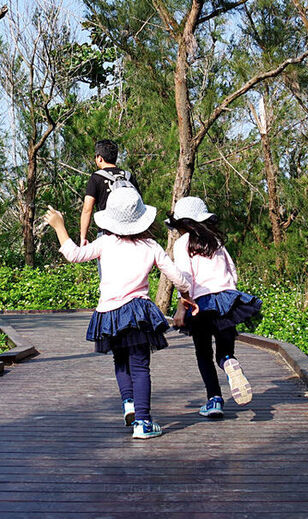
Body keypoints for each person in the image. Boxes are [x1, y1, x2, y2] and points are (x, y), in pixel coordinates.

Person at [44, 188, 196, 439]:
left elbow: (73, 254)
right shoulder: (151, 245)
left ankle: (129, 404)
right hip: (137, 312)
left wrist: (59, 226)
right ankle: (144, 423)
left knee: (120, 360)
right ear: (140, 218)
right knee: (140, 367)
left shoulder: (106, 242)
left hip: (109, 313)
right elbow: (179, 278)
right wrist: (186, 294)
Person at [166, 196, 261, 418]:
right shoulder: (216, 241)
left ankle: (214, 399)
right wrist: (231, 295)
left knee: (203, 353)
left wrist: (182, 307)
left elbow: (184, 277)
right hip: (227, 299)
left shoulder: (182, 243)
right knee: (224, 350)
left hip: (201, 304)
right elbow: (232, 271)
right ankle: (230, 362)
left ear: (182, 224)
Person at [80, 139, 140, 246]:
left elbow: (87, 209)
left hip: (106, 234)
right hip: (131, 233)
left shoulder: (96, 177)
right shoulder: (128, 176)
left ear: (100, 158)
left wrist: (83, 237)